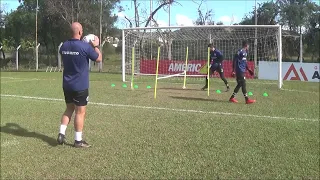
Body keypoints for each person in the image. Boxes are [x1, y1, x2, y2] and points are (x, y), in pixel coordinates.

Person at [57, 22, 102, 148]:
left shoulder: (64, 46)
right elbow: (99, 59)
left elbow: (68, 52)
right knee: (80, 112)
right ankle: (78, 141)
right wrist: (96, 46)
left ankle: (61, 133)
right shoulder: (85, 47)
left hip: (67, 85)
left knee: (69, 108)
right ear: (80, 32)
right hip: (80, 86)